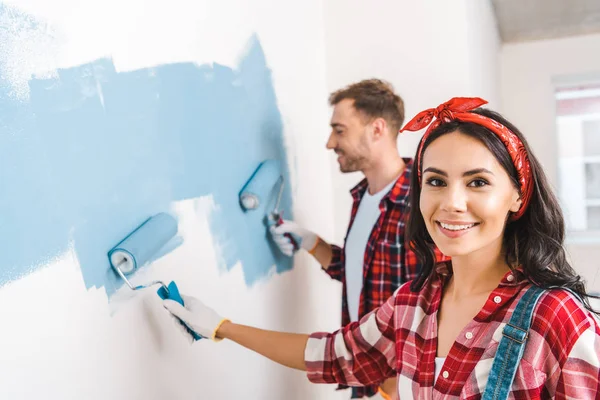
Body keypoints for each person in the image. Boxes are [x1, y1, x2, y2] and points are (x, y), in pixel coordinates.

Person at [163, 97, 600, 399]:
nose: (451, 202)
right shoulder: (411, 304)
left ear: (518, 196)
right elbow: (333, 355)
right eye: (436, 181)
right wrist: (221, 326)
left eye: (478, 182)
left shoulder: (554, 318)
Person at [269, 78, 446, 398]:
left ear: (377, 129)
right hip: (365, 378)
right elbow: (359, 275)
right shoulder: (364, 196)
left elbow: (443, 300)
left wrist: (397, 381)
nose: (329, 143)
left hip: (402, 385)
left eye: (340, 130)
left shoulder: (421, 204)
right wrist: (309, 241)